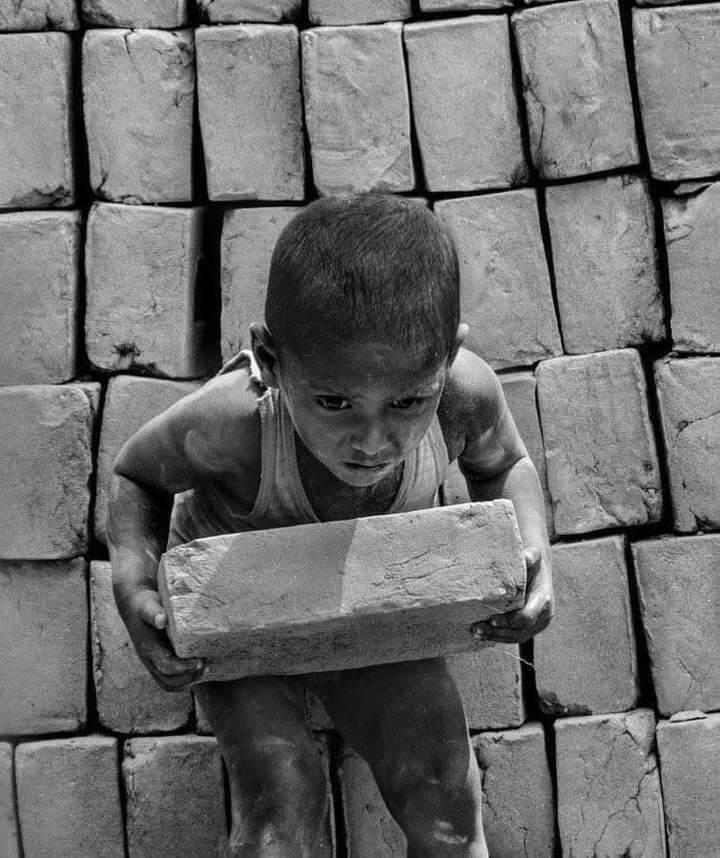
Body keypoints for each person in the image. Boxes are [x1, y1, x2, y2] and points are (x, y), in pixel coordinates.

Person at [107, 193, 553, 857]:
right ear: (269, 360)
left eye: (407, 401)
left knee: (443, 790)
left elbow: (507, 465)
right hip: (244, 624)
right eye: (334, 402)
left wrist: (533, 557)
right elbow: (136, 476)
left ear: (448, 357)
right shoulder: (235, 426)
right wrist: (134, 584)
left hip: (377, 621)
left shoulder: (463, 394)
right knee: (283, 796)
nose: (373, 441)